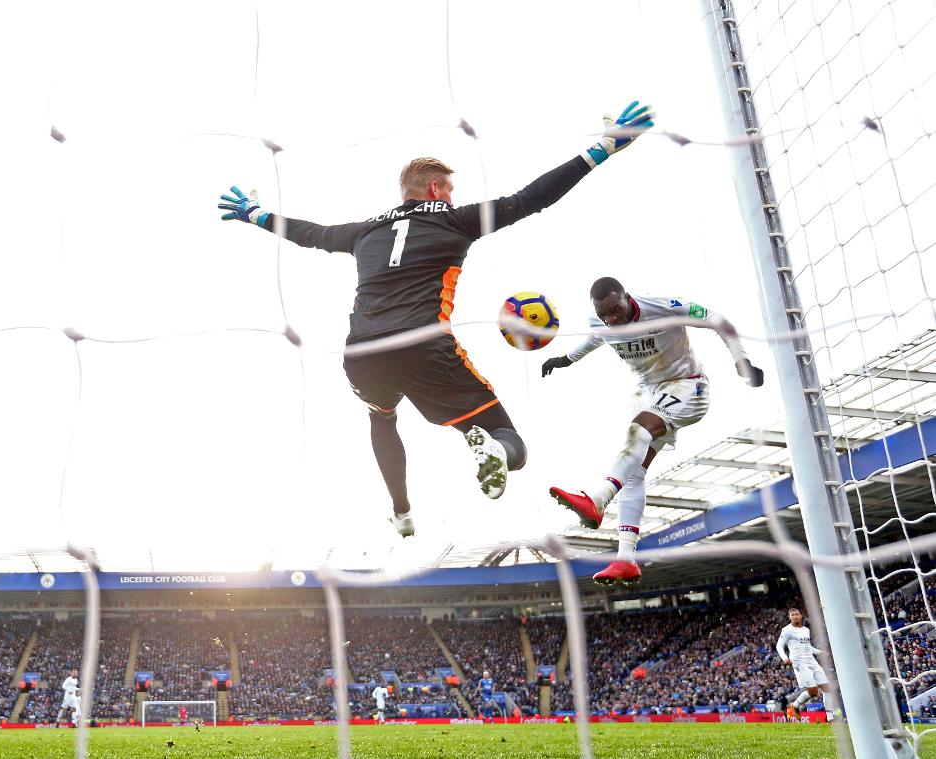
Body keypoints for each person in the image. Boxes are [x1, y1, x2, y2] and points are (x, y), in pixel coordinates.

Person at [219, 102, 656, 537]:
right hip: (424, 347)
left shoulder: (364, 231)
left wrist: (256, 215)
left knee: (381, 417)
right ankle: (497, 450)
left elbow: (309, 234)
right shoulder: (455, 221)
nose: (451, 197)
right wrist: (602, 149)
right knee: (513, 442)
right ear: (432, 189)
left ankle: (403, 511)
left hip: (362, 352)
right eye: (447, 189)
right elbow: (531, 199)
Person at [544, 278, 763, 584]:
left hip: (688, 385)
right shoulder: (602, 321)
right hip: (649, 392)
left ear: (626, 298)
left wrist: (742, 361)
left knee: (637, 432)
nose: (612, 319)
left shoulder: (664, 308)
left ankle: (597, 500)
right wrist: (565, 360)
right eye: (604, 314)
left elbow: (717, 320)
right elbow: (595, 338)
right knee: (634, 471)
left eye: (615, 310)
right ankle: (626, 560)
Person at [776, 608, 828, 719]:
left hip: (811, 660)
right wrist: (785, 659)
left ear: (801, 616)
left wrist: (821, 652)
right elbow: (779, 646)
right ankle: (795, 706)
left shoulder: (806, 630)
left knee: (826, 687)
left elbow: (808, 647)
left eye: (796, 614)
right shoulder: (787, 630)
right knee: (813, 691)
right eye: (792, 615)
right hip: (799, 661)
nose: (795, 616)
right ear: (789, 617)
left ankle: (830, 717)